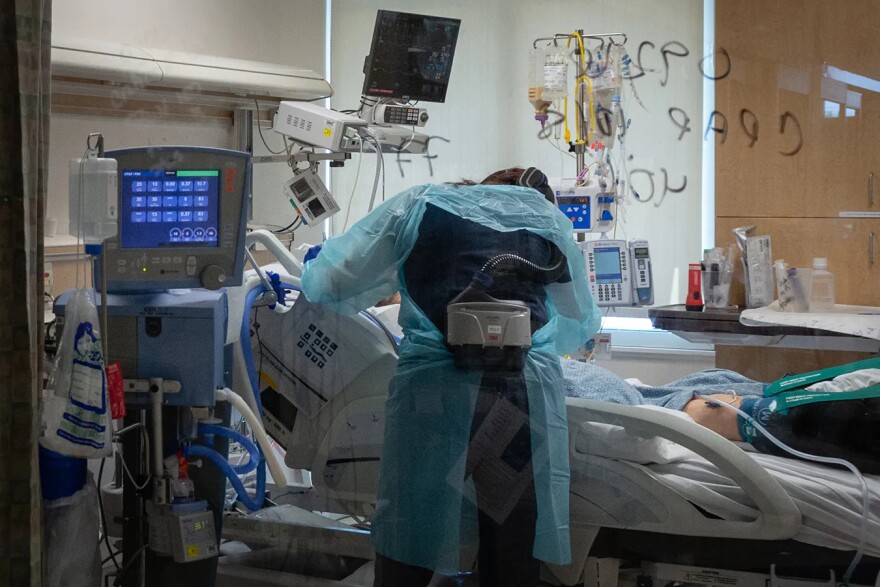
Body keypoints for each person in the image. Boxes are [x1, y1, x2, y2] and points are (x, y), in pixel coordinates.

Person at [301, 167, 600, 586]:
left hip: (435, 399)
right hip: (518, 398)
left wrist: (315, 264)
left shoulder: (419, 205)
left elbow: (332, 282)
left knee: (410, 533)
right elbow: (578, 320)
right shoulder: (544, 221)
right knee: (511, 545)